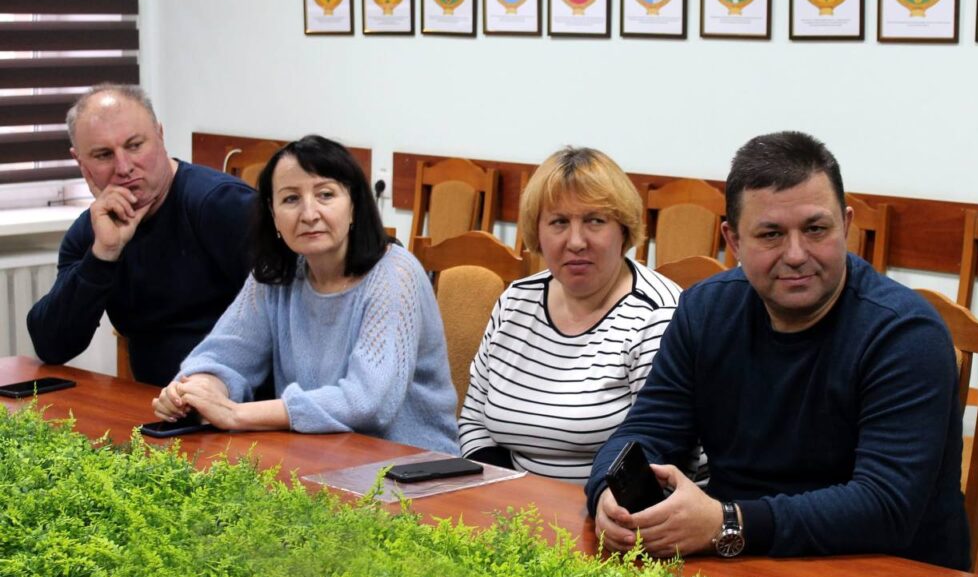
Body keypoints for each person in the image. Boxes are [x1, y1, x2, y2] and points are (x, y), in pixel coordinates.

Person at [586, 131, 970, 571]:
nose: (796, 254)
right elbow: (648, 430)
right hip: (743, 565)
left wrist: (727, 522)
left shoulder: (905, 334)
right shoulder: (704, 311)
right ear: (733, 241)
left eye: (815, 229)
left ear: (846, 225)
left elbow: (885, 506)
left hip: (889, 576)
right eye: (771, 234)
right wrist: (607, 494)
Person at [152, 135, 458, 454]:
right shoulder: (276, 274)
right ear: (273, 214)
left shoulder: (394, 274)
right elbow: (223, 355)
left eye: (325, 195)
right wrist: (194, 391)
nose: (309, 214)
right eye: (291, 199)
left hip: (410, 464)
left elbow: (368, 404)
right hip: (317, 455)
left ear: (354, 205)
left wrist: (235, 414)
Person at [458, 147, 687, 482]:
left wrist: (579, 505)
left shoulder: (658, 315)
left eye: (595, 220)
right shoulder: (515, 301)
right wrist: (506, 494)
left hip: (614, 507)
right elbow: (474, 422)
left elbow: (660, 456)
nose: (576, 241)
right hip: (512, 503)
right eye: (559, 222)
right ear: (537, 232)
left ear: (623, 229)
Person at [27, 84, 256, 386]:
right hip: (149, 401)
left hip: (240, 400)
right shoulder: (93, 230)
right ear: (81, 163)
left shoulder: (221, 204)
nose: (124, 167)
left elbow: (287, 323)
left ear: (160, 135)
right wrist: (103, 255)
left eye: (135, 145)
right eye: (103, 155)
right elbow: (52, 345)